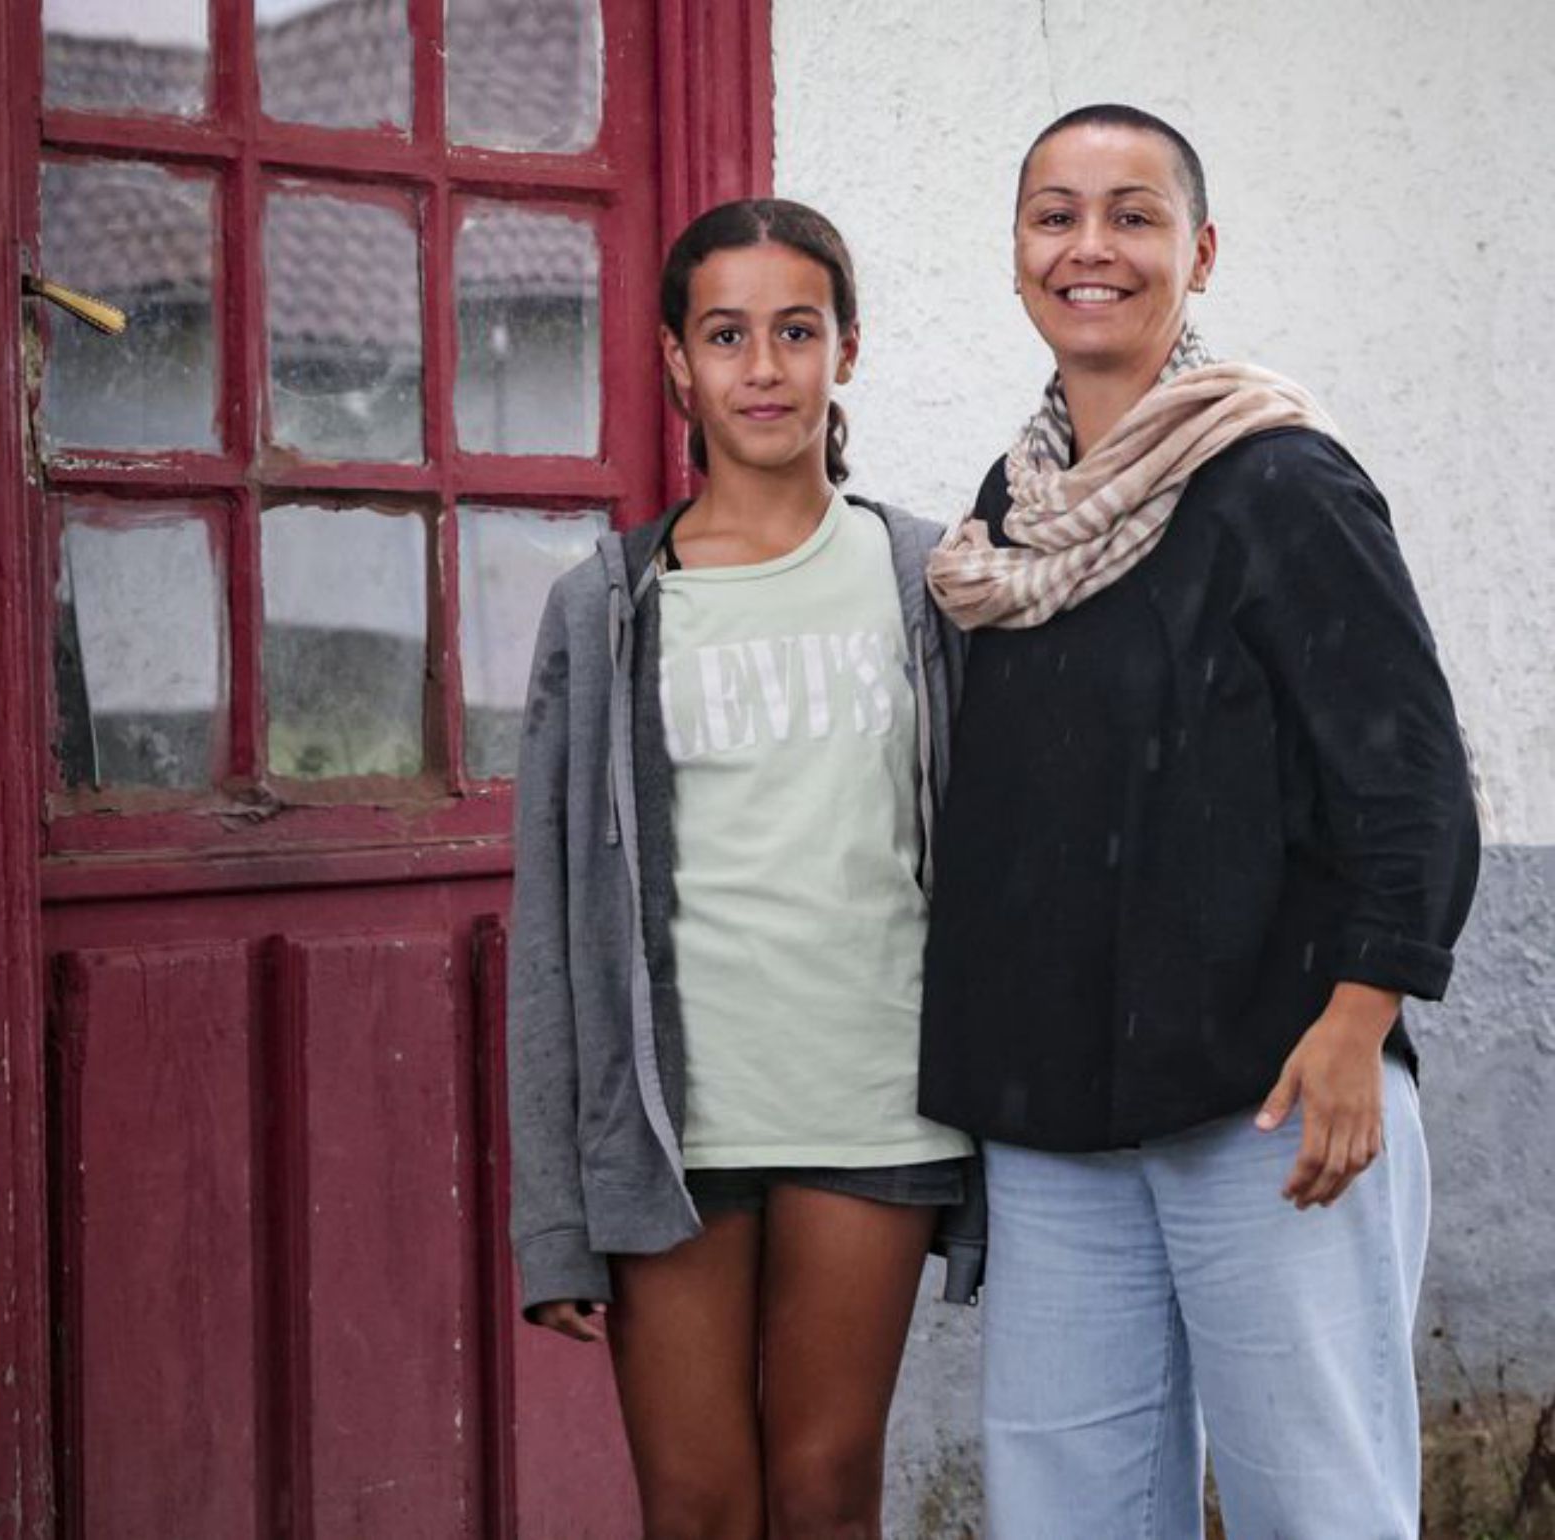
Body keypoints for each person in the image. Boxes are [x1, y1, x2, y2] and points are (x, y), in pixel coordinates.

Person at [922, 104, 1479, 1538]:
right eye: (1055, 214)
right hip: (1057, 1114)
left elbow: (1408, 776)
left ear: (1200, 250)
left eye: (1133, 214)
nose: (1089, 246)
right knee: (1069, 1508)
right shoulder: (1015, 515)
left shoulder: (1280, 482)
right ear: (1018, 252)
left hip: (1270, 1095)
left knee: (1320, 1501)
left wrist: (1361, 1023)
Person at [509, 197, 982, 1540]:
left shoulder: (922, 579)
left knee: (827, 1489)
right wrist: (556, 1217)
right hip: (673, 1126)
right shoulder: (605, 607)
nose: (763, 369)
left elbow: (990, 862)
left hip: (873, 1099)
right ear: (677, 360)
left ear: (848, 349)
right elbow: (552, 928)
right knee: (701, 1506)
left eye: (796, 330)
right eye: (728, 335)